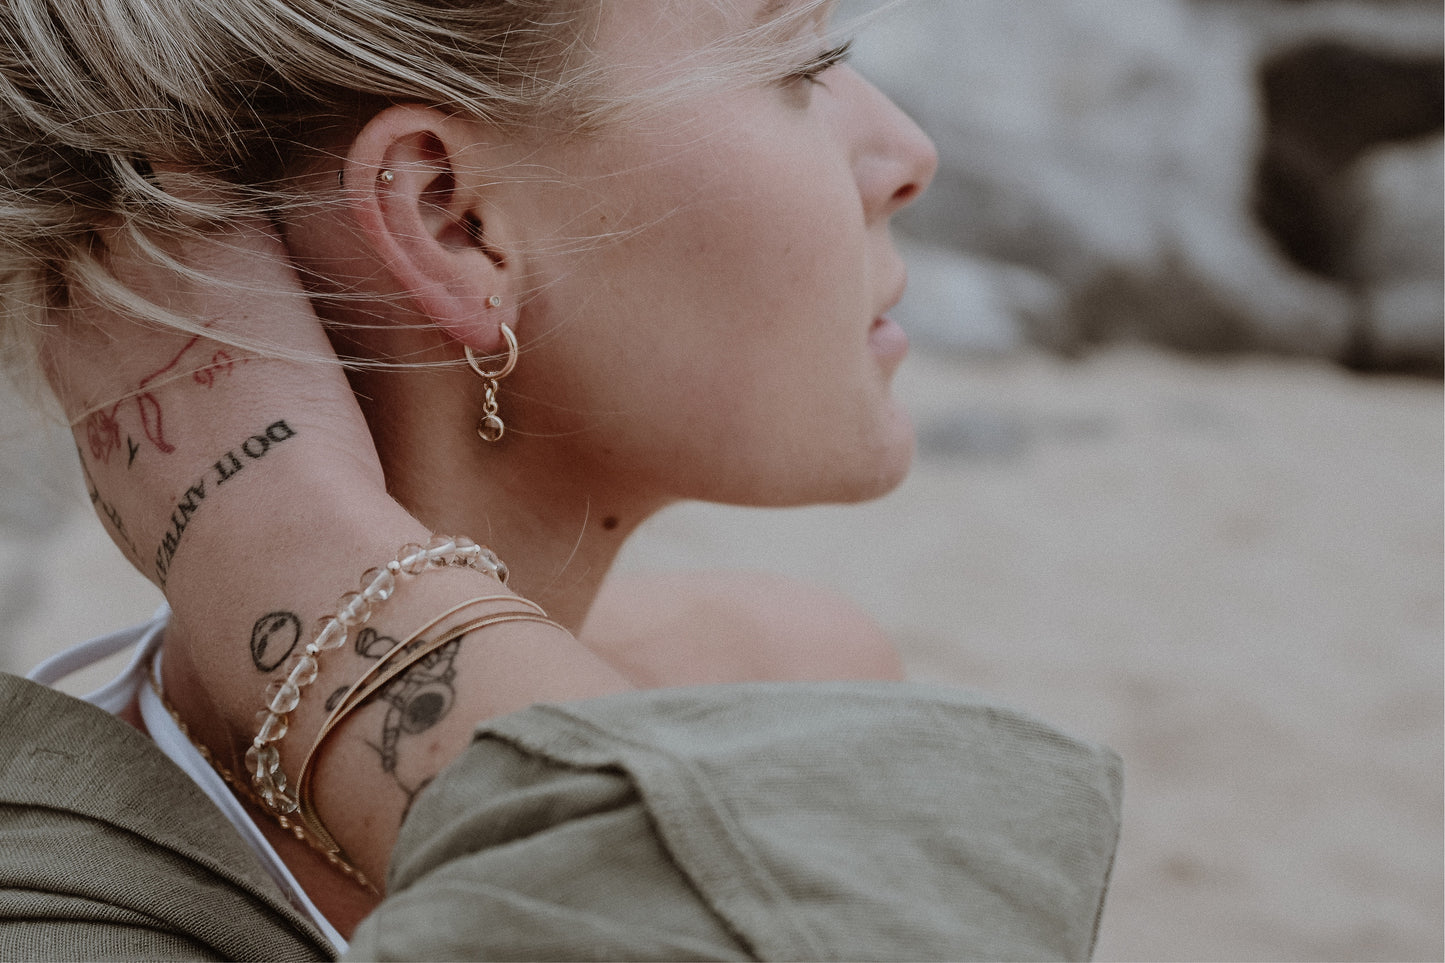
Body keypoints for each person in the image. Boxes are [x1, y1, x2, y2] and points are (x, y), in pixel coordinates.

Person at [0, 0, 1123, 959]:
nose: (907, 153)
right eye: (801, 65)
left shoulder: (766, 670)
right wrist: (285, 536)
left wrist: (280, 538)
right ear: (452, 220)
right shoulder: (62, 912)